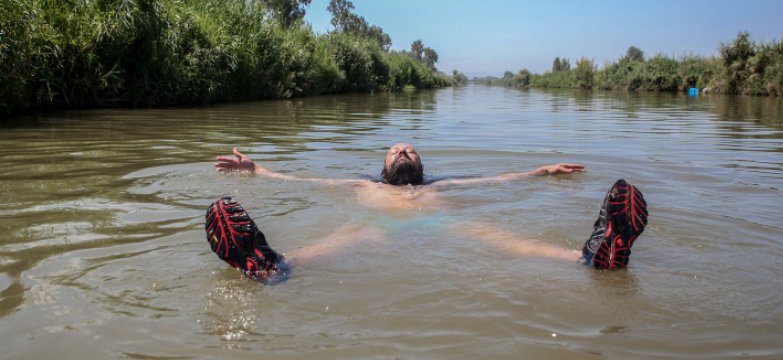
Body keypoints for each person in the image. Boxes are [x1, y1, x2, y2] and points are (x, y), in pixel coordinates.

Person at [206, 144, 648, 282]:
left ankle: (592, 257)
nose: (403, 152)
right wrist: (257, 170)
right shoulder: (364, 185)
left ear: (421, 166)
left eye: (411, 150)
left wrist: (541, 170)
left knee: (501, 239)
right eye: (395, 150)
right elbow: (304, 182)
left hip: (442, 225)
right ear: (382, 168)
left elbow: (495, 179)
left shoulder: (440, 185)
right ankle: (269, 265)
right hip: (376, 225)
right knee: (340, 240)